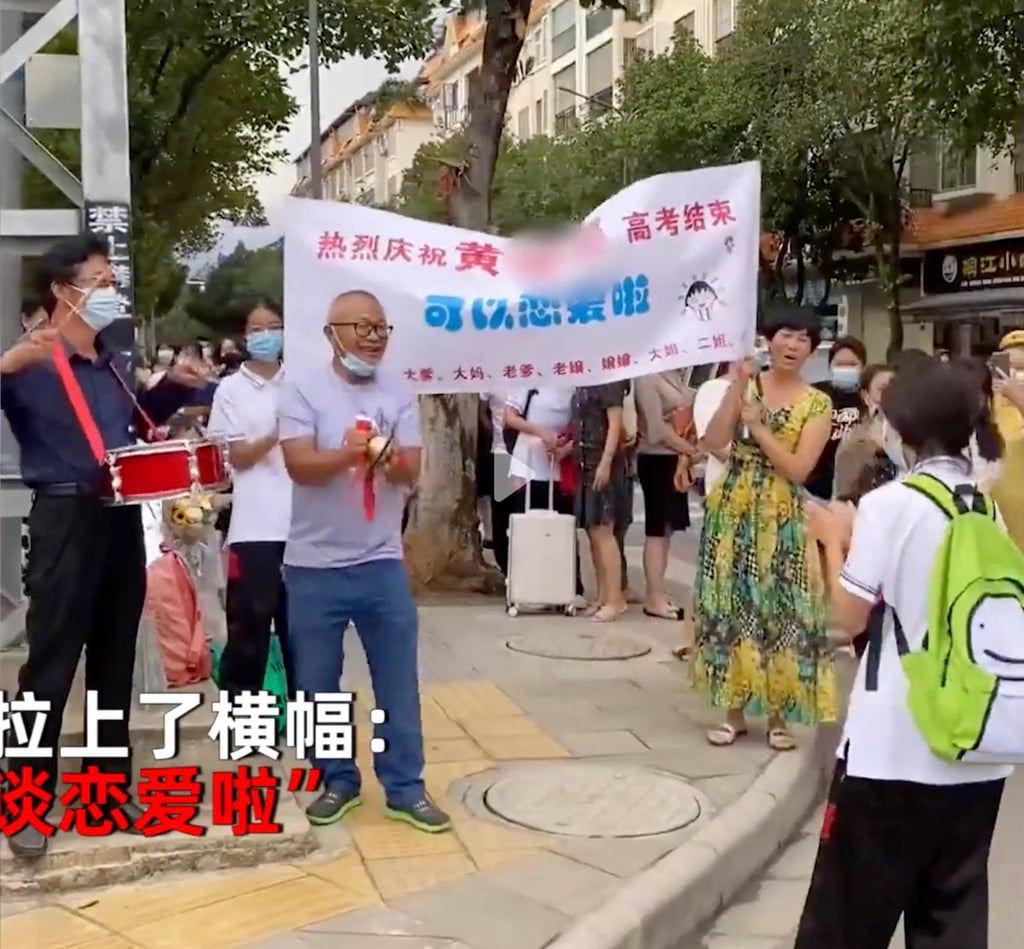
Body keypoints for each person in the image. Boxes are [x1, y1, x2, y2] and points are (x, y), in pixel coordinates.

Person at [795, 361, 1013, 949]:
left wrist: (832, 539)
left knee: (846, 921)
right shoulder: (981, 506)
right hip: (975, 748)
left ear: (904, 430)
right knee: (950, 917)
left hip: (894, 750)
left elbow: (845, 621)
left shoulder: (892, 504)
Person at [0, 234, 204, 857]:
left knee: (115, 662)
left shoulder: (110, 361)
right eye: (100, 280)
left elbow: (129, 424)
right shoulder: (30, 362)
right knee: (50, 665)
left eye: (112, 279)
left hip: (118, 518)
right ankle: (26, 804)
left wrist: (171, 389)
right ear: (64, 291)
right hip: (65, 518)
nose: (110, 290)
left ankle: (107, 793)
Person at [278, 289, 449, 833]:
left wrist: (383, 454)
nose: (373, 338)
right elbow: (300, 465)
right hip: (312, 565)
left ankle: (405, 787)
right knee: (319, 685)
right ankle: (337, 779)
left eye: (381, 328)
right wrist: (353, 452)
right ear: (332, 332)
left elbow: (409, 470)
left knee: (397, 679)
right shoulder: (302, 387)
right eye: (362, 327)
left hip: (380, 561)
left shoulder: (398, 391)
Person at [696, 311, 837, 750]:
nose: (793, 345)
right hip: (734, 507)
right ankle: (733, 711)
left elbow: (798, 469)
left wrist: (758, 426)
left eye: (803, 339)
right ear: (768, 341)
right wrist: (737, 388)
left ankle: (780, 716)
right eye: (786, 336)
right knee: (733, 606)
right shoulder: (748, 388)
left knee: (784, 611)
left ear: (812, 351)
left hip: (783, 515)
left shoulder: (818, 403)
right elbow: (714, 442)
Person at [206, 299, 292, 701]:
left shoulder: (301, 381)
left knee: (303, 628)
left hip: (305, 525)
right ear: (245, 335)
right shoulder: (231, 390)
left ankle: (307, 713)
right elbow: (236, 456)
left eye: (273, 326)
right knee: (250, 624)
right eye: (257, 329)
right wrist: (280, 430)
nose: (266, 336)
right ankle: (243, 711)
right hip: (254, 525)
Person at [504, 386, 585, 600]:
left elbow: (584, 422)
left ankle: (567, 588)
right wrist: (541, 432)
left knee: (562, 527)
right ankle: (526, 587)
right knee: (527, 526)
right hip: (528, 462)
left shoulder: (575, 383)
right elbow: (510, 418)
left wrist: (566, 448)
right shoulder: (528, 381)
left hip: (560, 465)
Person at [634, 370, 696, 620]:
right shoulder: (647, 376)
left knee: (667, 530)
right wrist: (690, 449)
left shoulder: (676, 373)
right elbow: (656, 429)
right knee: (657, 529)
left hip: (675, 458)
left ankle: (658, 593)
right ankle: (654, 597)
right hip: (656, 458)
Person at [573, 382, 630, 622]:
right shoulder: (584, 379)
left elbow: (615, 423)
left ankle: (615, 599)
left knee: (604, 530)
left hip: (602, 462)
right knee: (593, 530)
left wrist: (606, 461)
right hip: (585, 461)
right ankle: (603, 595)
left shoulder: (610, 381)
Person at [804, 336, 867, 500]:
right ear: (830, 366)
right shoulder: (815, 393)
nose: (846, 369)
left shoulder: (869, 396)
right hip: (816, 484)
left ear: (863, 367)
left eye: (852, 364)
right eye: (840, 364)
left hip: (860, 485)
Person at [831, 363, 895, 499]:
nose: (891, 396)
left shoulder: (912, 431)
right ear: (866, 395)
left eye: (895, 390)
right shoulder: (854, 439)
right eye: (883, 390)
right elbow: (844, 493)